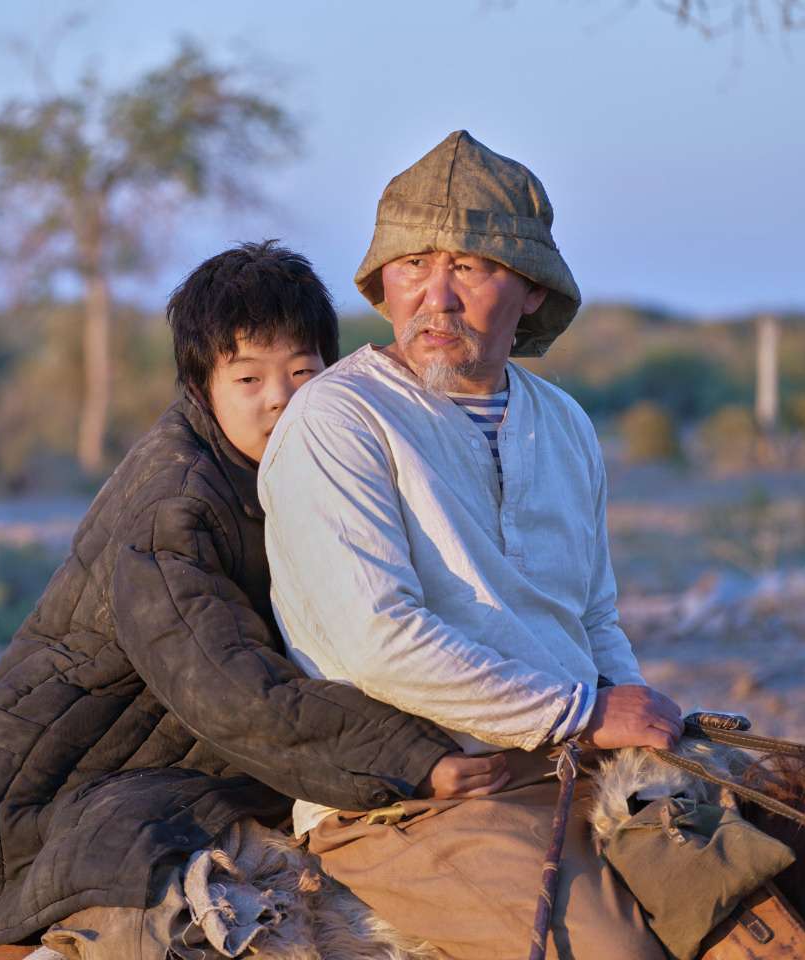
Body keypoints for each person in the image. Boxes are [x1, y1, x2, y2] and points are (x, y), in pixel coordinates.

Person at [0, 241, 504, 959]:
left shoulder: (311, 464)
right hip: (75, 791)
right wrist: (410, 755)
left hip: (199, 749)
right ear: (202, 386)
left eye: (303, 372)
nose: (281, 398)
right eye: (248, 378)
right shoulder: (175, 503)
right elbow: (225, 682)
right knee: (205, 918)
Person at [258, 132, 685, 959]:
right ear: (382, 285)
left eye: (472, 266)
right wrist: (585, 712)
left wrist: (635, 722)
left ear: (530, 291)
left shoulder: (563, 424)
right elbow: (377, 641)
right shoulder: (339, 421)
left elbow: (592, 615)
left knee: (771, 895)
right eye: (413, 264)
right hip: (411, 798)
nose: (437, 296)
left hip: (564, 765)